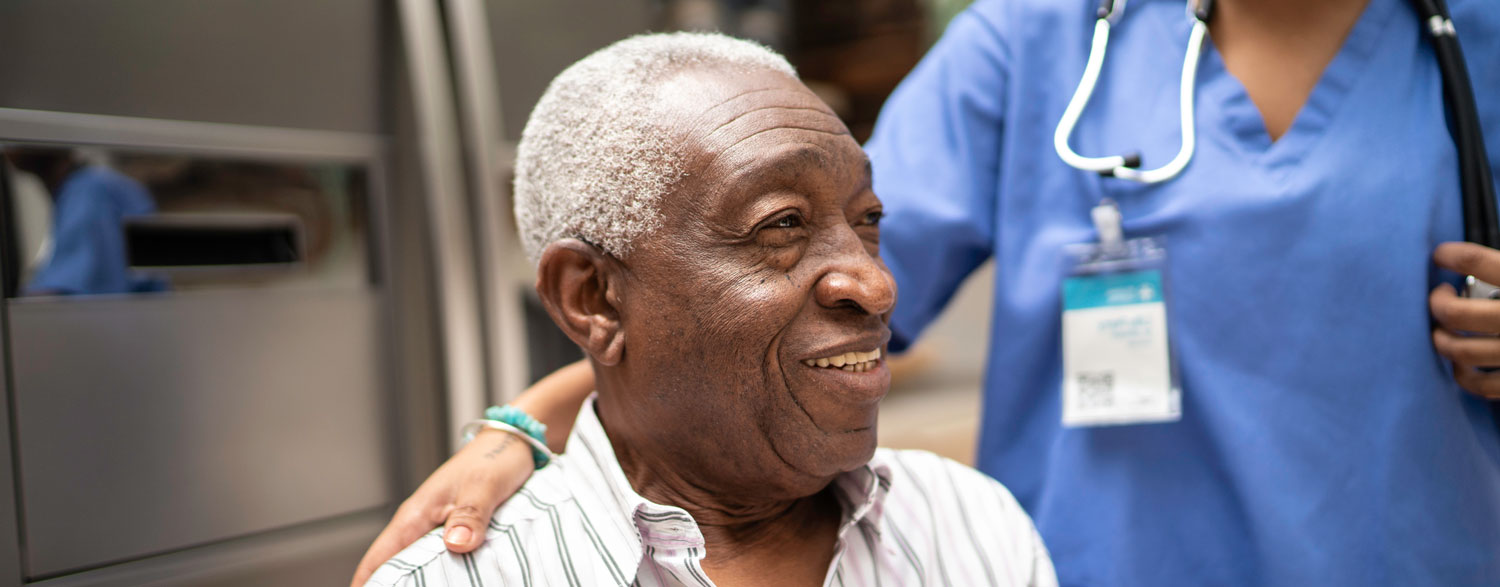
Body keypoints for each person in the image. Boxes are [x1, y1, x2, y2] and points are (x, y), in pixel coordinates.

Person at [355, 0, 1500, 585]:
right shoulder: (1042, 39)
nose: (857, 257)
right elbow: (787, 279)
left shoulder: (1481, 45)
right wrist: (537, 418)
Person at [364, 32, 1056, 587]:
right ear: (594, 297)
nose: (878, 286)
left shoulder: (970, 525)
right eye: (782, 224)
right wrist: (515, 429)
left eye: (869, 220)